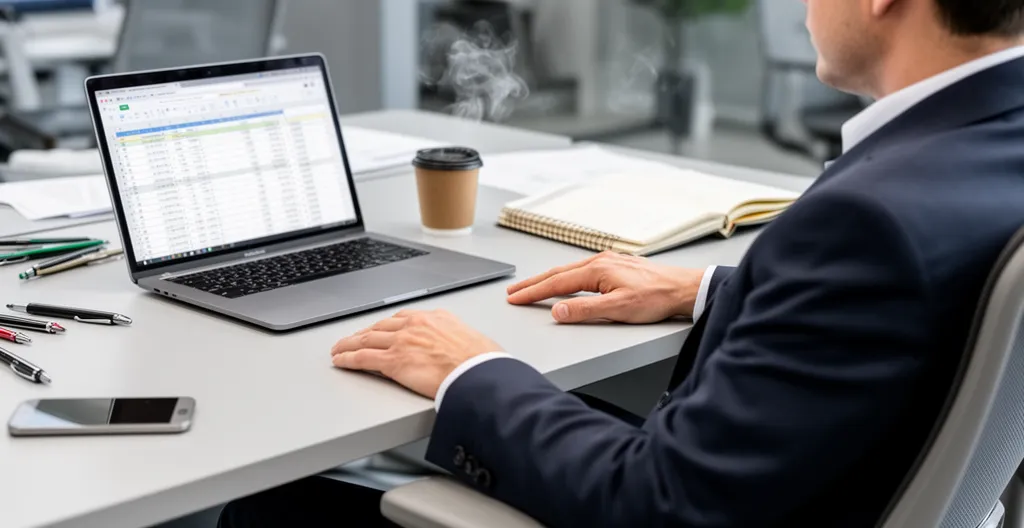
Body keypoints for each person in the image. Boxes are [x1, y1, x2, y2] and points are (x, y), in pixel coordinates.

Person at [219, 0, 1024, 525]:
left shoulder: (866, 220)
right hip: (823, 484)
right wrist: (711, 289)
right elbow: (907, 309)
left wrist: (469, 369)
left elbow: (658, 503)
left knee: (272, 510)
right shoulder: (989, 142)